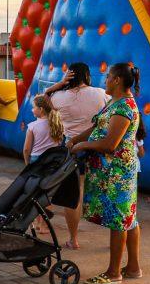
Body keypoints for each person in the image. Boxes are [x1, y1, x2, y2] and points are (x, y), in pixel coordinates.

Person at [69, 63, 142, 284]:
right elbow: (97, 127)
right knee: (129, 218)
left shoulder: (124, 107)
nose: (105, 80)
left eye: (108, 76)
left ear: (117, 80)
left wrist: (83, 147)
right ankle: (133, 268)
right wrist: (76, 139)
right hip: (112, 172)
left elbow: (111, 144)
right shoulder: (114, 103)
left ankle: (113, 273)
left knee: (119, 220)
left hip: (117, 173)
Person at [44, 62, 110, 249]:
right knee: (105, 192)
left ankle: (74, 239)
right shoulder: (100, 93)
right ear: (87, 75)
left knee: (75, 194)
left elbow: (44, 97)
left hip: (72, 147)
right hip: (97, 146)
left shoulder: (58, 96)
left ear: (69, 76)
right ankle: (114, 238)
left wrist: (59, 83)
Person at [23, 94, 64, 165]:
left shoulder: (32, 126)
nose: (32, 110)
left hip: (37, 159)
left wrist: (27, 163)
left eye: (33, 107)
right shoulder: (57, 124)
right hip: (53, 158)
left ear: (41, 109)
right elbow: (59, 142)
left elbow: (26, 149)